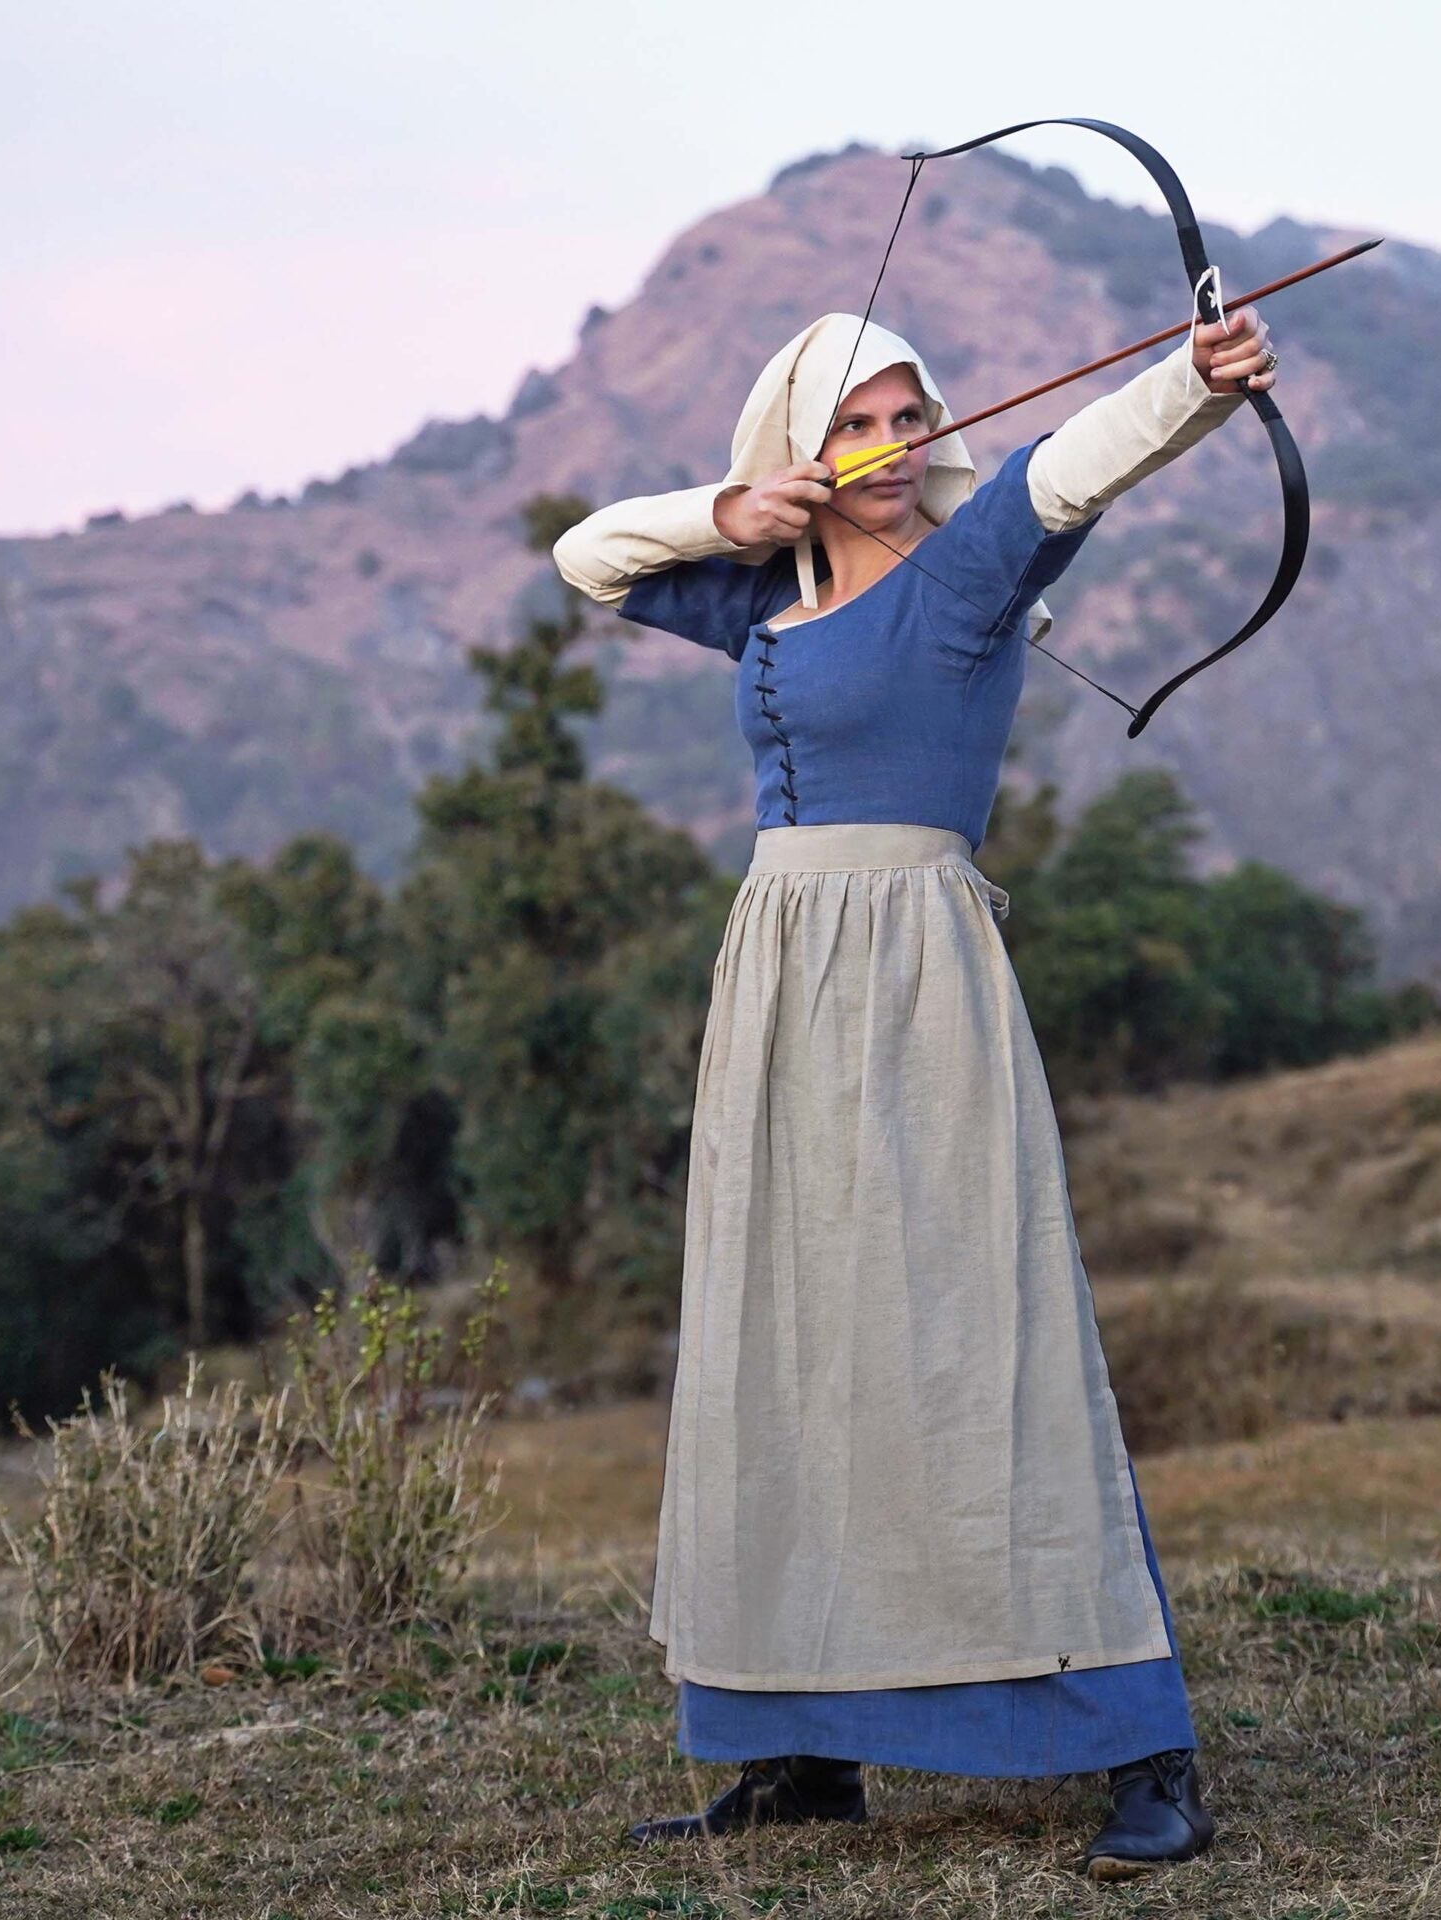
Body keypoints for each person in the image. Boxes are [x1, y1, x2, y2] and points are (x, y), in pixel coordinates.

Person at [552, 295, 1277, 1880]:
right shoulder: (760, 596)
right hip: (776, 983)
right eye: (858, 423)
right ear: (803, 447)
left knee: (978, 1336)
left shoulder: (967, 575)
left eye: (910, 415)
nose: (894, 446)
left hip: (915, 976)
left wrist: (1198, 379)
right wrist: (730, 511)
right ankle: (789, 1750)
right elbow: (588, 556)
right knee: (782, 1343)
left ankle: (1141, 1754)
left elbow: (1073, 468)